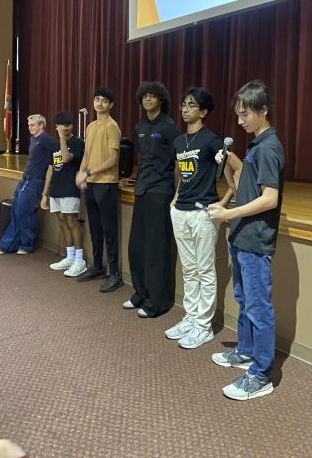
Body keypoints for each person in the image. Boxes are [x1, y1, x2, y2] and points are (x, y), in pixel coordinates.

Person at [208, 80, 285, 400]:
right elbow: (242, 191)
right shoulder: (255, 145)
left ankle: (261, 373)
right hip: (242, 237)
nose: (240, 121)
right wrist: (227, 166)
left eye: (245, 115)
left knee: (257, 305)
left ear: (263, 110)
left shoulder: (269, 147)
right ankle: (247, 351)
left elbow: (269, 199)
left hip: (255, 241)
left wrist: (227, 216)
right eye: (238, 115)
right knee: (244, 299)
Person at [165, 87, 232, 349]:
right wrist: (175, 198)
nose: (185, 108)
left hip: (202, 212)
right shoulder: (179, 142)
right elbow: (180, 172)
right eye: (183, 104)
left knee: (205, 270)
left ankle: (203, 325)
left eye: (191, 105)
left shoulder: (211, 140)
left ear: (203, 112)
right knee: (189, 268)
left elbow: (234, 169)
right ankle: (191, 317)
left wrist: (221, 205)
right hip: (180, 211)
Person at [123, 82, 181, 318]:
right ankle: (141, 293)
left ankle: (156, 301)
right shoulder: (140, 126)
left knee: (156, 248)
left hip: (161, 191)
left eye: (152, 96)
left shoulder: (169, 127)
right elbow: (144, 158)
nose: (148, 99)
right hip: (142, 190)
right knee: (137, 245)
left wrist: (177, 194)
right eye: (145, 96)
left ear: (160, 100)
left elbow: (179, 163)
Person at [75, 88, 123, 293]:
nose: (100, 103)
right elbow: (87, 153)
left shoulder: (112, 127)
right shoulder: (91, 126)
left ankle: (115, 274)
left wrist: (90, 171)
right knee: (94, 227)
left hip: (107, 184)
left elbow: (113, 159)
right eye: (97, 99)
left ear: (111, 105)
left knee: (108, 230)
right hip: (92, 184)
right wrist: (81, 172)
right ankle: (97, 266)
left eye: (105, 101)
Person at [0, 115, 54, 255]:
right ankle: (7, 245)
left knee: (24, 212)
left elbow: (57, 156)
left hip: (35, 181)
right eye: (29, 125)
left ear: (41, 125)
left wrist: (46, 190)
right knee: (15, 211)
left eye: (33, 125)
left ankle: (26, 244)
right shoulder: (33, 139)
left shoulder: (47, 139)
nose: (30, 127)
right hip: (25, 179)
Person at [40, 112, 86, 277]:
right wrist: (45, 193)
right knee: (62, 221)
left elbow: (66, 158)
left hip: (70, 188)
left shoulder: (77, 143)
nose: (65, 127)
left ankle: (80, 261)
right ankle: (70, 256)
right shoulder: (54, 145)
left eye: (68, 124)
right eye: (62, 124)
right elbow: (51, 169)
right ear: (56, 126)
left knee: (71, 221)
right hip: (56, 189)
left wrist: (62, 139)